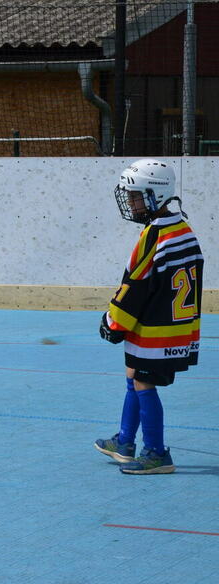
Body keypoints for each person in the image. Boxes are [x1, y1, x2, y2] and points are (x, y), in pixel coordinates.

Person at [94, 158, 204, 474]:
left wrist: (113, 322)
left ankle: (157, 453)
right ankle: (125, 442)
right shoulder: (182, 229)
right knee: (134, 373)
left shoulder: (155, 236)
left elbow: (135, 286)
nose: (130, 202)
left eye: (135, 196)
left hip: (157, 330)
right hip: (175, 327)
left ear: (156, 195)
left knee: (143, 382)